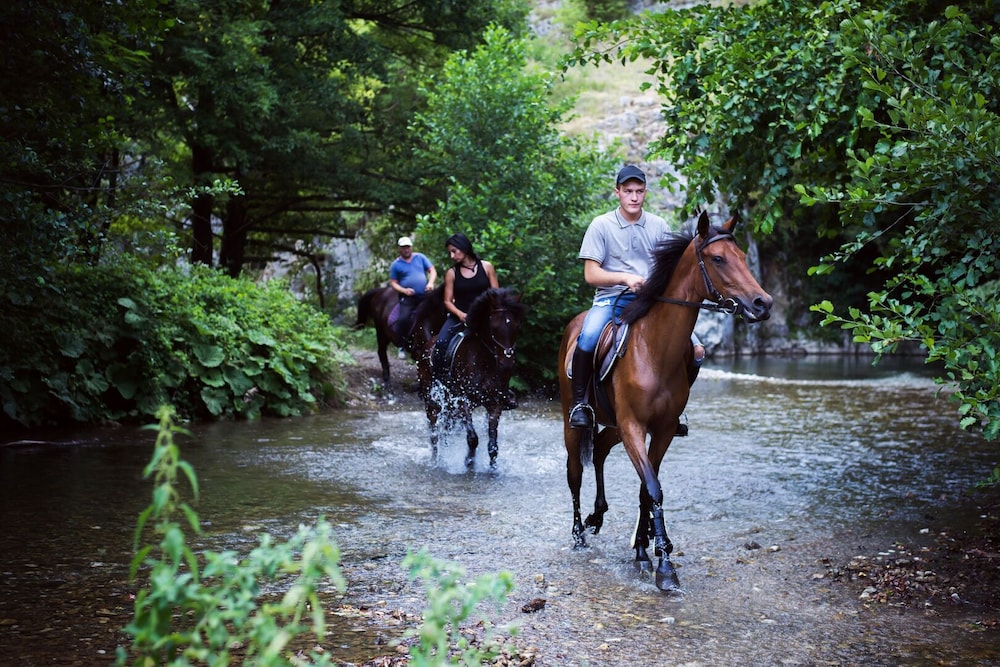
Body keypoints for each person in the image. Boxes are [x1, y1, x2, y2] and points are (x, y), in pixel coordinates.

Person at [568, 165, 705, 430]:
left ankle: (673, 409)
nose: (633, 197)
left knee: (697, 350)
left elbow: (671, 269)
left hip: (652, 301)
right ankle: (580, 404)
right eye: (628, 191)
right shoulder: (601, 225)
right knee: (586, 339)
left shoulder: (658, 225)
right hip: (611, 299)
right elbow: (591, 274)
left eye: (639, 191)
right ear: (617, 192)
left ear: (645, 193)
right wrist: (624, 278)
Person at [431, 233, 499, 377]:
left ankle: (504, 385)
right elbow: (447, 301)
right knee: (441, 343)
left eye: (454, 251)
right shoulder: (452, 273)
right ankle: (440, 381)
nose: (451, 256)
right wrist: (460, 314)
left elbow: (496, 295)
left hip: (485, 317)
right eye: (450, 252)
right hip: (459, 316)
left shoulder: (487, 267)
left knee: (504, 343)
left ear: (464, 248)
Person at [389, 236, 436, 356]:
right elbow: (393, 283)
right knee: (403, 318)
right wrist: (404, 291)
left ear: (411, 247)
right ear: (399, 249)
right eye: (404, 247)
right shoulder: (396, 264)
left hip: (424, 295)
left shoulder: (420, 257)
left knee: (437, 312)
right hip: (408, 297)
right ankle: (401, 345)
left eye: (408, 247)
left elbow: (432, 270)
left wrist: (430, 283)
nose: (406, 250)